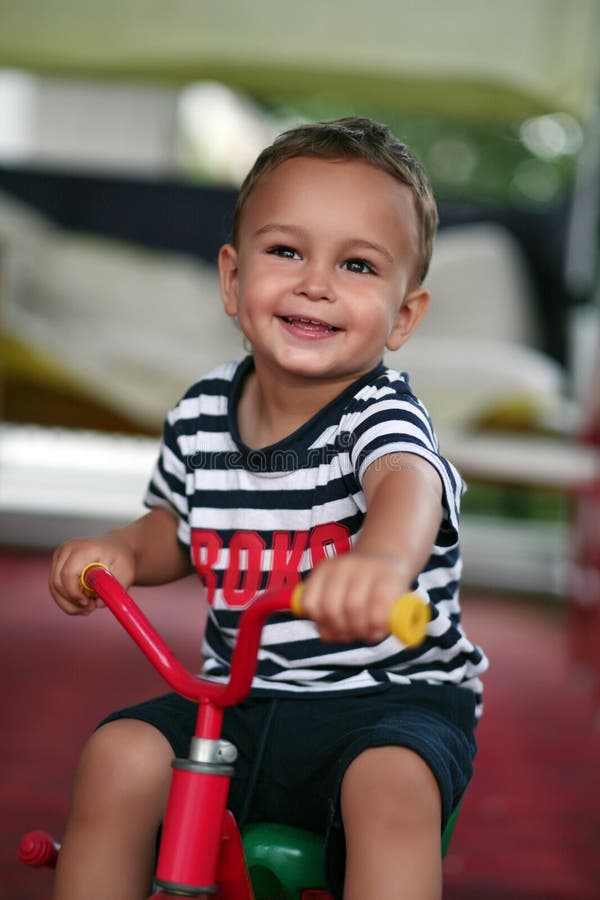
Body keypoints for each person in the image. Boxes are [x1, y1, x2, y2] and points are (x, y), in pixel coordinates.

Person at [49, 116, 488, 900]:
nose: (315, 282)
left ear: (403, 316)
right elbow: (173, 529)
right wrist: (119, 549)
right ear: (230, 277)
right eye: (286, 251)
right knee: (120, 754)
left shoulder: (377, 415)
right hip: (241, 702)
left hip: (387, 700)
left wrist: (381, 565)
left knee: (391, 788)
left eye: (356, 264)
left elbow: (410, 485)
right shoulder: (201, 413)